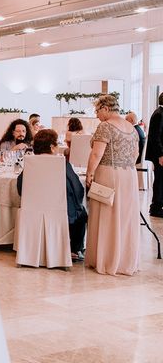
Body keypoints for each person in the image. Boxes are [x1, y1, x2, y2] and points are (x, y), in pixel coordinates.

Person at [86, 94, 139, 275]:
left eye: (97, 111)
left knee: (107, 214)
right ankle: (123, 260)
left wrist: (90, 174)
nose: (96, 115)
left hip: (109, 173)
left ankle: (106, 259)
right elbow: (135, 155)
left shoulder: (106, 126)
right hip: (129, 175)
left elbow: (96, 154)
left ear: (105, 109)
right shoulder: (131, 127)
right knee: (124, 216)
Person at [16, 129, 88, 261]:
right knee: (82, 213)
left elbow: (21, 187)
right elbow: (77, 187)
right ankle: (74, 249)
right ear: (52, 147)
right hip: (61, 211)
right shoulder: (62, 164)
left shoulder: (31, 163)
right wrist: (77, 203)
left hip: (33, 210)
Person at [146, 93, 163, 217]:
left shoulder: (160, 113)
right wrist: (161, 155)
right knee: (160, 180)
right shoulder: (159, 114)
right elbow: (155, 137)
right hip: (159, 155)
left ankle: (158, 206)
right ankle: (156, 207)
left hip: (160, 154)